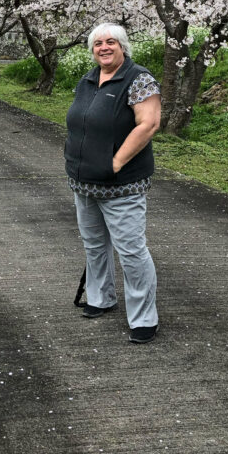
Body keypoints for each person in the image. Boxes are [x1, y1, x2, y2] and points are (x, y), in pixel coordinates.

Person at [64, 23, 162, 344]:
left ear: (122, 46)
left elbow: (149, 124)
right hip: (85, 183)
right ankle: (100, 298)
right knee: (94, 245)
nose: (104, 48)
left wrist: (116, 162)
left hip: (122, 186)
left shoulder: (138, 79)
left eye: (111, 42)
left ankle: (144, 318)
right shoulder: (88, 80)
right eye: (98, 44)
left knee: (131, 251)